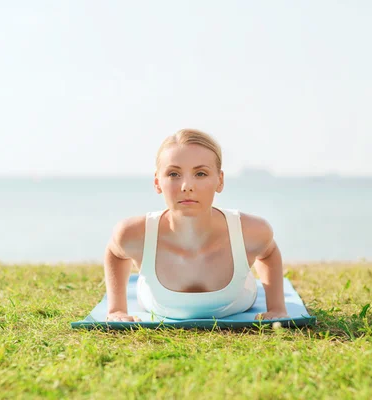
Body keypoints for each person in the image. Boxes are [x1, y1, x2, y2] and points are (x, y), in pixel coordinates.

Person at [104, 129, 288, 322]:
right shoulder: (133, 233)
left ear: (220, 180)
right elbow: (115, 252)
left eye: (200, 173)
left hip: (240, 299)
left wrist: (276, 307)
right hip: (155, 301)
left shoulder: (250, 231)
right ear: (157, 182)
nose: (186, 186)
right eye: (174, 174)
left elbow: (268, 252)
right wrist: (117, 309)